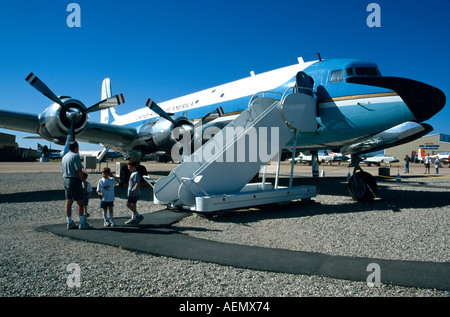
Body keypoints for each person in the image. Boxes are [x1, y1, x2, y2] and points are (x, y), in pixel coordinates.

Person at [61, 141, 93, 229]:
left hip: (65, 179)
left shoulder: (64, 157)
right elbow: (79, 170)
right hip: (74, 180)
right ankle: (82, 223)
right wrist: (84, 181)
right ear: (76, 147)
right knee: (80, 202)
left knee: (68, 202)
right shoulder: (75, 156)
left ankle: (69, 221)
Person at [125, 160, 144, 225]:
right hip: (131, 192)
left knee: (129, 205)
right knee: (133, 205)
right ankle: (133, 218)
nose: (128, 168)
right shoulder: (132, 173)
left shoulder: (136, 174)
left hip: (133, 192)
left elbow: (137, 183)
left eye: (129, 167)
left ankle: (138, 216)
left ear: (133, 167)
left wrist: (134, 191)